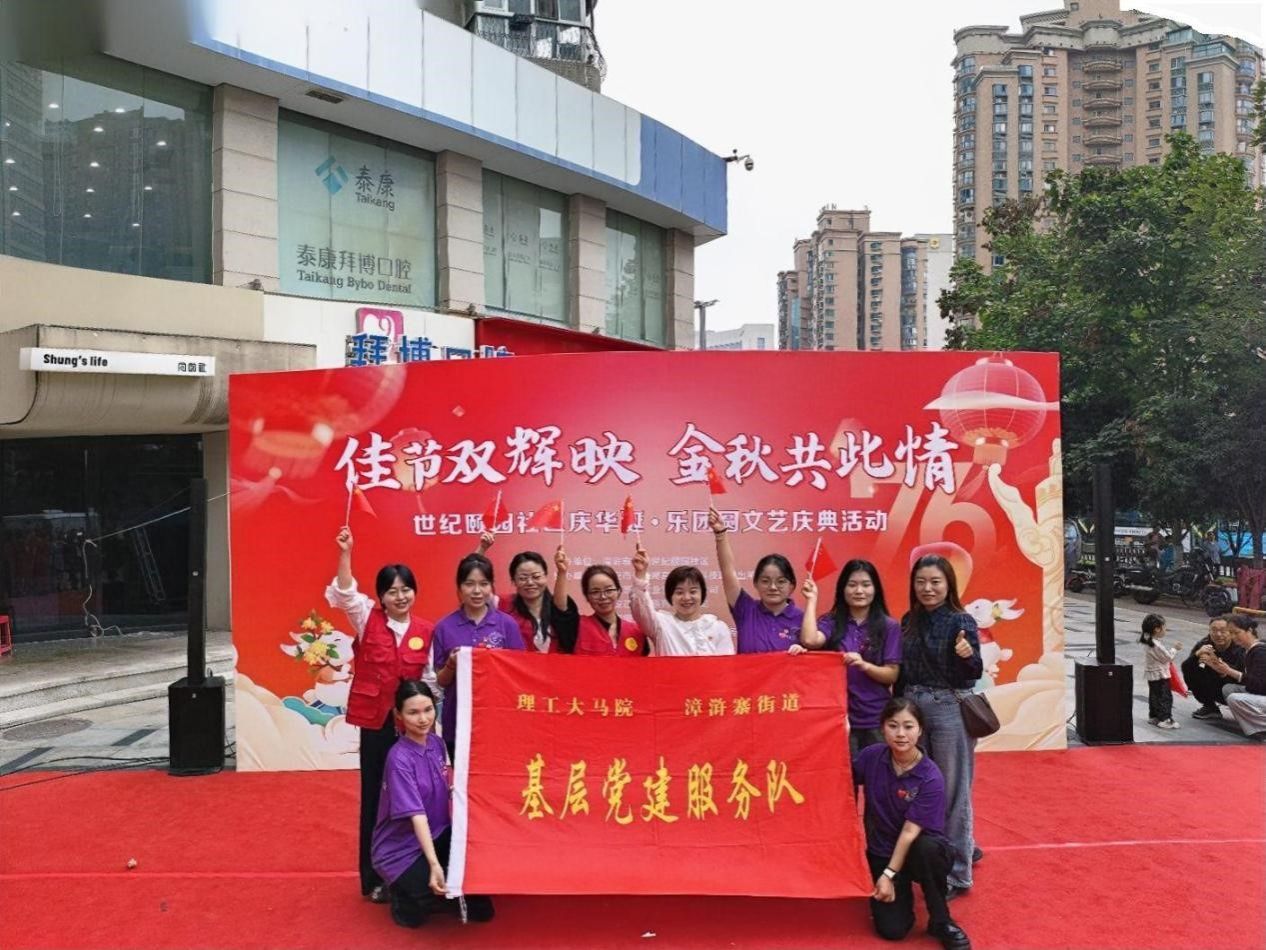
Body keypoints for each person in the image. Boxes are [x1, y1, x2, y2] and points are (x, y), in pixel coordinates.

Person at [325, 526, 435, 903]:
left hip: (413, 729)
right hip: (376, 725)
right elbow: (344, 593)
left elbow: (431, 681)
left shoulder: (426, 630)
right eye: (392, 591)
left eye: (406, 589)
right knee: (375, 798)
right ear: (381, 597)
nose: (400, 596)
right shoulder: (366, 618)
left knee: (415, 798)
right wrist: (346, 552)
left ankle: (414, 868)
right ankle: (372, 877)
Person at [371, 680, 494, 928]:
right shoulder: (398, 760)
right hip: (401, 849)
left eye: (428, 710)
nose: (423, 719)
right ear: (398, 715)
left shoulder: (436, 743)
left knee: (482, 908)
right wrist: (435, 864)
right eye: (413, 712)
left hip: (439, 833)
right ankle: (399, 892)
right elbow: (417, 816)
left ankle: (440, 887)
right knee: (415, 915)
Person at [854, 697, 972, 950]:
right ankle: (900, 891)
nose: (900, 734)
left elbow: (909, 832)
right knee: (893, 930)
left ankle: (941, 920)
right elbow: (839, 776)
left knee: (926, 849)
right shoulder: (871, 757)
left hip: (920, 851)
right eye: (893, 725)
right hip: (883, 851)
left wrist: (888, 875)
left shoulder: (930, 777)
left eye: (908, 726)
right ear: (882, 727)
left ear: (920, 730)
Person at [897, 554, 982, 899]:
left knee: (952, 790)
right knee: (922, 788)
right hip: (913, 709)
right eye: (921, 582)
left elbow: (973, 673)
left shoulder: (961, 621)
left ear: (949, 584)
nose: (927, 588)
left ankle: (958, 873)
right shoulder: (908, 620)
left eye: (935, 581)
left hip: (948, 708)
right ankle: (934, 857)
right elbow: (902, 670)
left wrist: (967, 655)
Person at [800, 560, 902, 754]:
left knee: (876, 772)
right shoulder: (831, 621)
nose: (859, 591)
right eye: (852, 584)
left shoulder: (889, 626)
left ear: (875, 589)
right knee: (842, 773)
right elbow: (810, 640)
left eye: (866, 585)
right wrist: (811, 600)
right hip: (838, 718)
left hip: (875, 718)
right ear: (843, 589)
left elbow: (892, 675)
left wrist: (864, 665)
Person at [433, 553, 525, 757]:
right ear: (459, 588)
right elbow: (441, 681)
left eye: (483, 584)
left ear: (491, 587)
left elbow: (519, 674)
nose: (477, 591)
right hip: (457, 721)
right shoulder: (444, 627)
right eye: (469, 584)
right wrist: (451, 664)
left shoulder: (506, 624)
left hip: (499, 721)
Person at [708, 507, 804, 654]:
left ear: (792, 585)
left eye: (781, 581)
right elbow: (727, 570)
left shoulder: (802, 618)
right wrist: (720, 534)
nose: (773, 587)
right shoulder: (746, 609)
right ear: (756, 584)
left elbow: (816, 656)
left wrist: (804, 652)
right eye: (765, 581)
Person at [478, 532, 579, 654]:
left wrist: (562, 571)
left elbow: (563, 610)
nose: (530, 582)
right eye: (523, 578)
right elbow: (473, 585)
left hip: (555, 665)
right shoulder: (502, 604)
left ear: (546, 577)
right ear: (513, 581)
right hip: (515, 666)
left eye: (536, 576)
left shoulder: (557, 606)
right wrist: (482, 549)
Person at [630, 542, 735, 656]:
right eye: (679, 592)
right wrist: (640, 574)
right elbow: (640, 609)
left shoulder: (718, 627)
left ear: (702, 593)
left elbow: (726, 664)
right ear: (670, 596)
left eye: (693, 591)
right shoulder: (661, 625)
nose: (686, 598)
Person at [1206, 614, 1266, 740]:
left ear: (1249, 630)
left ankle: (1260, 727)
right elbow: (1244, 678)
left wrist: (1229, 671)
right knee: (1228, 689)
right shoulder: (1247, 650)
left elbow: (1260, 686)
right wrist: (1222, 669)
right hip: (1261, 694)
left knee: (1234, 698)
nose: (1233, 637)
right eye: (1231, 633)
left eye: (1236, 633)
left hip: (1263, 692)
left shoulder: (1260, 651)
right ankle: (1254, 724)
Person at [572, 563, 647, 657]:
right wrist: (561, 573)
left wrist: (640, 574)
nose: (603, 597)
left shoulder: (636, 631)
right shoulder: (576, 626)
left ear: (619, 591)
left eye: (609, 590)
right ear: (587, 597)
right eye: (595, 592)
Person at [1181, 616, 1245, 721]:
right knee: (1192, 669)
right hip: (1216, 686)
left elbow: (1245, 677)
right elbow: (1186, 667)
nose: (1218, 634)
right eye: (1214, 630)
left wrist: (1220, 667)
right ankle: (1209, 706)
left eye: (1223, 631)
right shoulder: (1204, 644)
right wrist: (1197, 654)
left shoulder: (1241, 647)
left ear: (1231, 632)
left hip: (1237, 689)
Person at [1139, 613, 1181, 730]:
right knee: (1165, 696)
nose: (1165, 630)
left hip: (1152, 674)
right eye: (1164, 627)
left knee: (1154, 695)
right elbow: (1167, 657)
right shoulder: (1156, 645)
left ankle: (1154, 716)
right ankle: (1165, 719)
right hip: (1160, 674)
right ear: (1157, 629)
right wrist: (1175, 649)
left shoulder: (1149, 641)